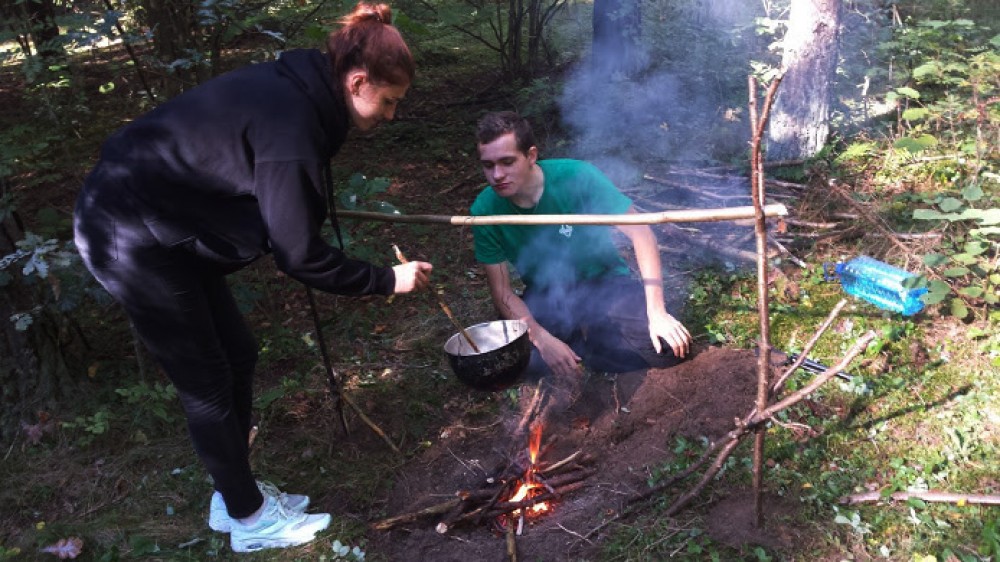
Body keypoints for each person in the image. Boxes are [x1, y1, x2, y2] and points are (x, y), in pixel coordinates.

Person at [73, 2, 432, 553]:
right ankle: (248, 519)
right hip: (128, 233)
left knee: (237, 354)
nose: (390, 116)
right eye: (388, 101)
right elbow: (299, 255)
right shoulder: (293, 121)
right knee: (207, 382)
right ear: (357, 81)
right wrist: (387, 280)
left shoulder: (304, 93)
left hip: (170, 225)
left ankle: (232, 493)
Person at [470, 111, 691, 383]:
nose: (497, 175)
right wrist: (541, 338)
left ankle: (593, 348)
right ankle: (579, 344)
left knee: (667, 350)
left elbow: (642, 234)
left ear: (531, 155)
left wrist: (657, 313)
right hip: (546, 294)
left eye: (507, 162)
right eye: (488, 165)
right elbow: (502, 292)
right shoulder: (484, 211)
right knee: (513, 361)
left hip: (604, 282)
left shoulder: (576, 176)